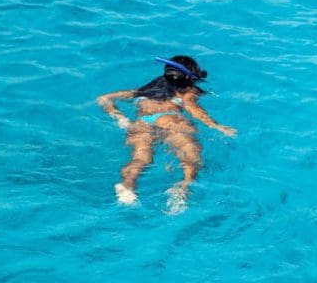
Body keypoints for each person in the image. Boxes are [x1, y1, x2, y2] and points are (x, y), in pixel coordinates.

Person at [96, 55, 236, 210]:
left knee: (141, 159)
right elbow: (192, 108)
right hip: (170, 121)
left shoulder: (147, 88)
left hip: (141, 123)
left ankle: (127, 186)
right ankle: (182, 188)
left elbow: (103, 98)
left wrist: (120, 118)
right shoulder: (189, 91)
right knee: (190, 160)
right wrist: (216, 126)